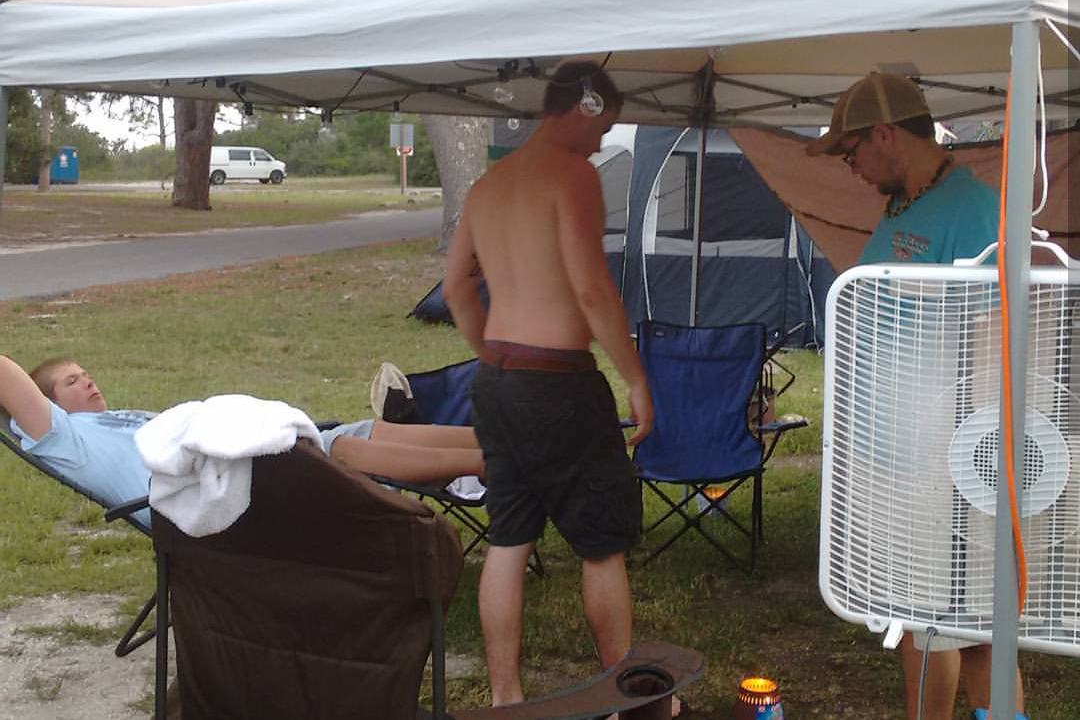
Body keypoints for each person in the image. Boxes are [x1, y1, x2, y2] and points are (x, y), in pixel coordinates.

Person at [807, 71, 1025, 720]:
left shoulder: (978, 208)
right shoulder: (905, 202)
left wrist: (962, 461)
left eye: (853, 155)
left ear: (884, 134)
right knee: (916, 618)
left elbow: (996, 340)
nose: (853, 170)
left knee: (979, 633)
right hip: (895, 458)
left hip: (945, 460)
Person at [443, 61, 655, 708]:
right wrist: (636, 378)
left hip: (498, 379)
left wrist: (488, 353)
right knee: (600, 543)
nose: (599, 143)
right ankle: (623, 688)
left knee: (508, 537)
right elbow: (591, 287)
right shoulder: (572, 175)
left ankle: (506, 698)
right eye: (603, 127)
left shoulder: (488, 184)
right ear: (582, 110)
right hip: (559, 382)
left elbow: (455, 286)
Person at [1, 354, 485, 525]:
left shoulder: (115, 422)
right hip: (222, 497)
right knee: (338, 450)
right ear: (47, 406)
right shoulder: (64, 440)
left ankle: (494, 443)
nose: (86, 382)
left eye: (85, 374)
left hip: (255, 470)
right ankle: (495, 464)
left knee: (358, 432)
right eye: (70, 382)